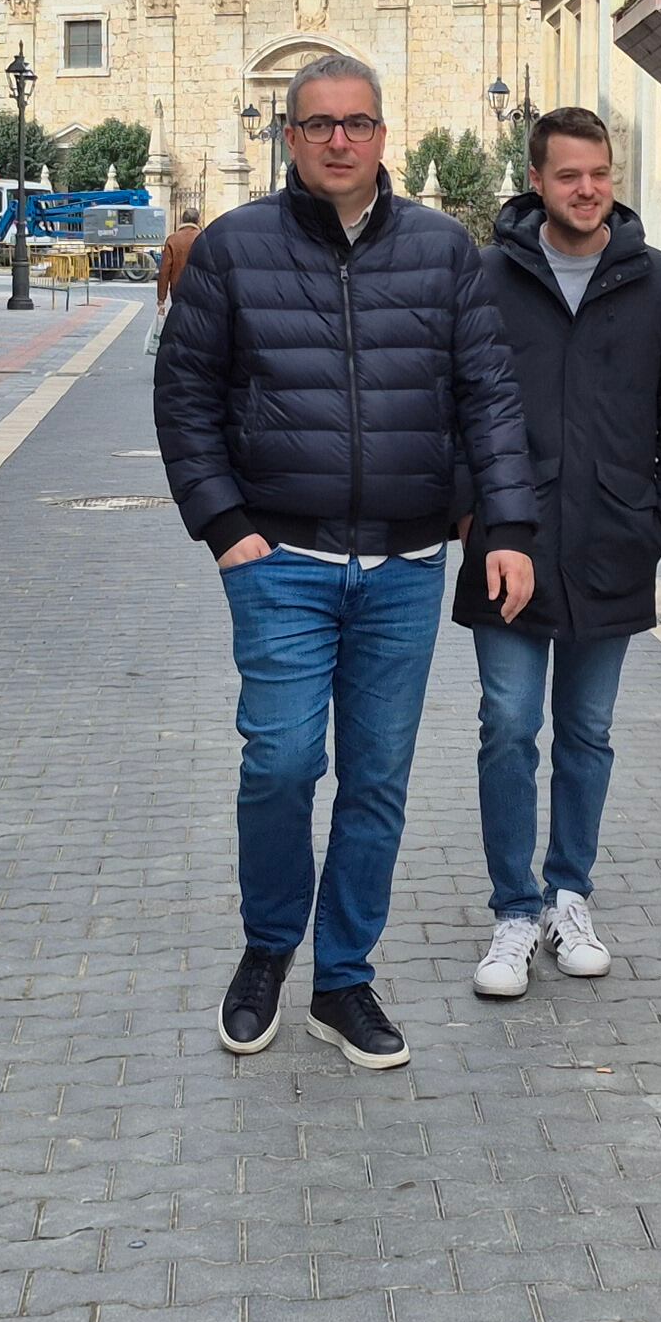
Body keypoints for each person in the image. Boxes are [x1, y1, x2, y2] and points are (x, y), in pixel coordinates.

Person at [156, 54, 538, 1070]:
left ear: (382, 134)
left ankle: (343, 976)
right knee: (280, 763)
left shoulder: (442, 250)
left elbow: (488, 395)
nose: (338, 139)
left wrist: (501, 525)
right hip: (278, 555)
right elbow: (184, 394)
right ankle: (268, 946)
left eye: (356, 122)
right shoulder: (234, 249)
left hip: (407, 562)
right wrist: (223, 523)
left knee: (376, 779)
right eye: (317, 123)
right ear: (289, 136)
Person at [453, 106, 661, 999]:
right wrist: (467, 515)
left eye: (599, 172)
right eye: (569, 175)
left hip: (612, 539)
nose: (588, 189)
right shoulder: (484, 279)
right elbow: (453, 406)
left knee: (588, 732)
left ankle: (570, 893)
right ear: (537, 182)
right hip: (509, 546)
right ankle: (514, 911)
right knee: (509, 726)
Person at [146, 204, 205, 356]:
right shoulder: (204, 238)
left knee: (179, 320)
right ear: (198, 220)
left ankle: (181, 351)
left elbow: (164, 271)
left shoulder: (172, 239)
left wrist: (161, 299)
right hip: (200, 289)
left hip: (178, 289)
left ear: (181, 220)